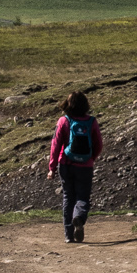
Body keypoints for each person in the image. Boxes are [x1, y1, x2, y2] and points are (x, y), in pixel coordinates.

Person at [47, 91, 103, 243]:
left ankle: (68, 235)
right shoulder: (92, 121)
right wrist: (91, 158)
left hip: (66, 164)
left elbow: (56, 145)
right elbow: (99, 144)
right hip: (85, 166)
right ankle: (78, 217)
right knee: (82, 196)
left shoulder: (64, 121)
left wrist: (52, 167)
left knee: (68, 197)